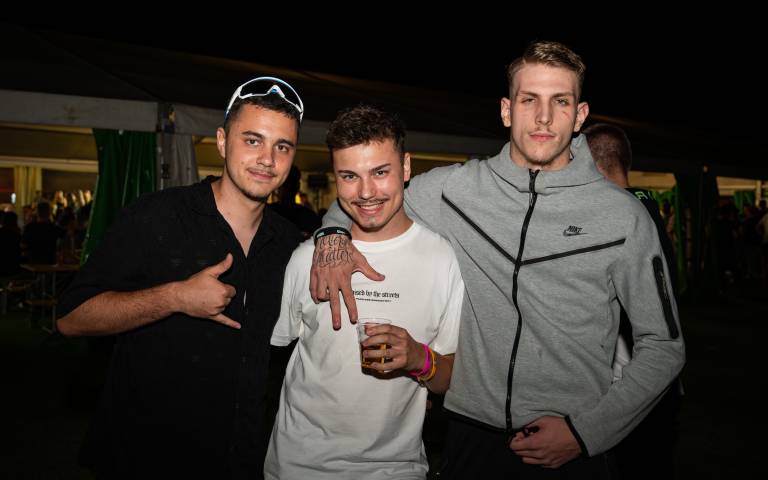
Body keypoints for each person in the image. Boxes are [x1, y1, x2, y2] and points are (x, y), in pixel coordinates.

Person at [311, 41, 685, 478]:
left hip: (572, 447)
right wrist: (332, 239)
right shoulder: (456, 189)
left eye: (560, 101)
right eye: (529, 100)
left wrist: (586, 433)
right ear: (507, 111)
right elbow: (365, 198)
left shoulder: (623, 216)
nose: (543, 117)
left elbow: (664, 347)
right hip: (471, 440)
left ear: (580, 115)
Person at [57, 76, 305, 480]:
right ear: (222, 141)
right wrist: (174, 297)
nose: (267, 159)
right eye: (253, 140)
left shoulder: (290, 243)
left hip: (240, 457)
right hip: (146, 455)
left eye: (283, 146)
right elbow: (71, 318)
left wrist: (335, 237)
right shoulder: (156, 216)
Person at [264, 105, 463, 479]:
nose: (366, 192)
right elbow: (270, 357)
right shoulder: (307, 259)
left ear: (406, 167)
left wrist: (417, 358)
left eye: (380, 172)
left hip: (396, 469)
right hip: (300, 467)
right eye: (349, 176)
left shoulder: (443, 260)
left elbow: (450, 379)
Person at [584, 123, 683, 480]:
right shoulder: (646, 207)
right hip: (656, 388)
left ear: (592, 164)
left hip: (635, 387)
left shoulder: (623, 218)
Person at [267, 165, 321, 239]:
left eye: (290, 184)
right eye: (286, 184)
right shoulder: (266, 213)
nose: (287, 189)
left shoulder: (308, 217)